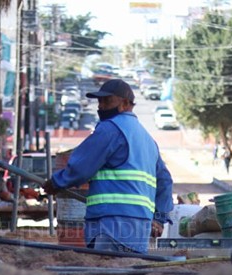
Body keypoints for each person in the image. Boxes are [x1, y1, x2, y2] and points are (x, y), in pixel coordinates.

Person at [42, 79, 174, 254]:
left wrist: (56, 183)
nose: (101, 106)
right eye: (99, 102)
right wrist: (159, 218)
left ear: (125, 103)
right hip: (140, 228)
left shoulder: (110, 129)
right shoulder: (147, 139)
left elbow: (81, 167)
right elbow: (165, 181)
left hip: (112, 225)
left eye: (107, 101)